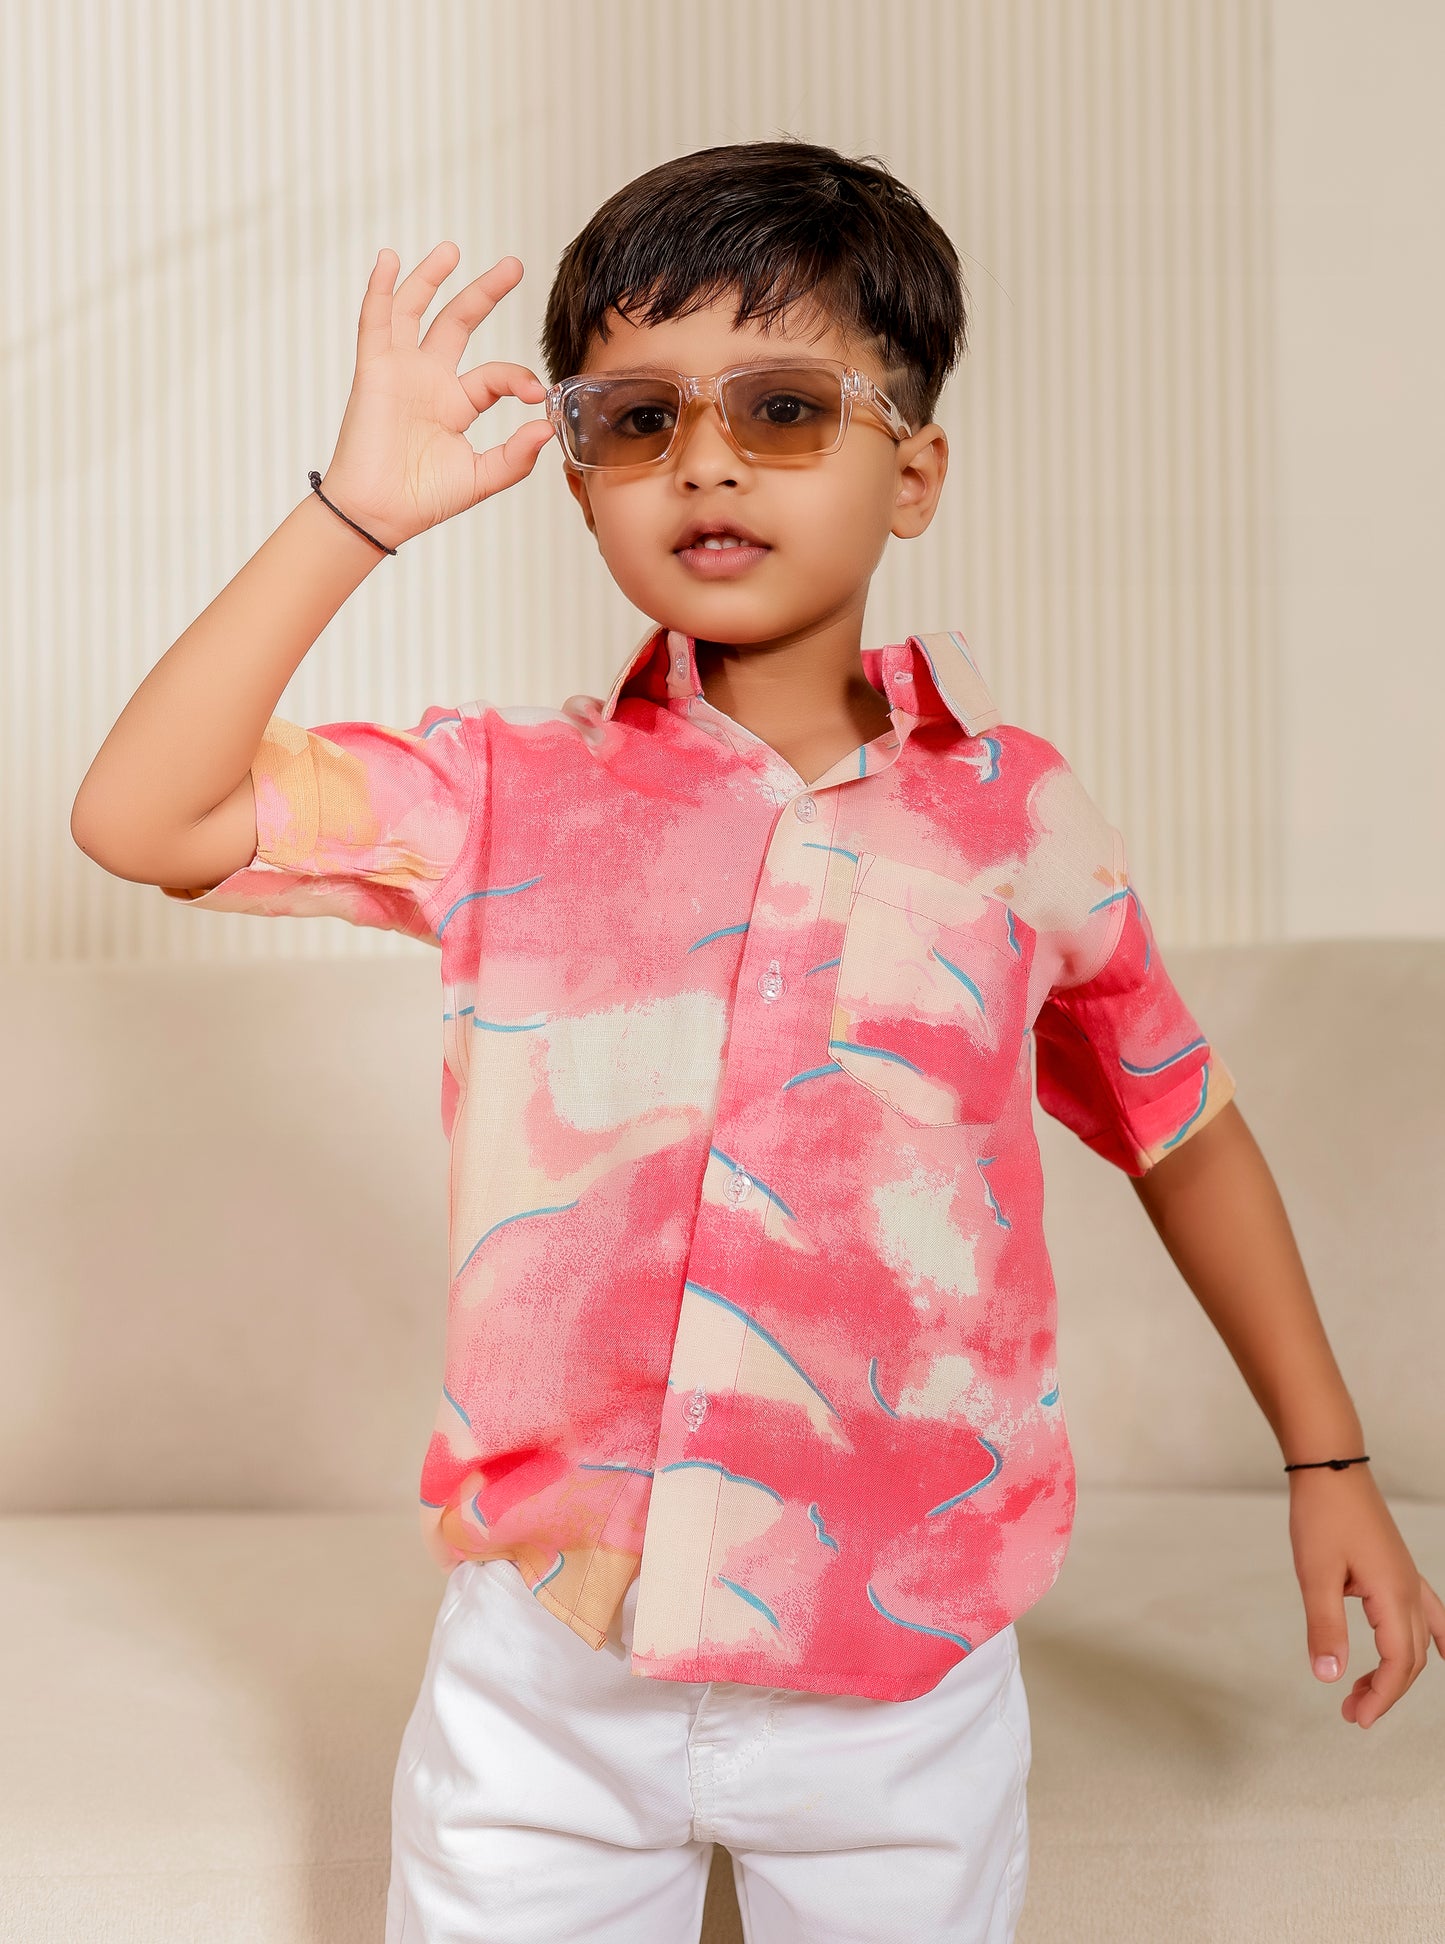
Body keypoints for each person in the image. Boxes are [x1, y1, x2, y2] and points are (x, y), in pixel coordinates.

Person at [70, 139, 1443, 1944]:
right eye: (636, 421)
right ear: (579, 482)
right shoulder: (500, 793)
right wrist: (355, 515)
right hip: (548, 1663)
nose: (704, 460)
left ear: (913, 471)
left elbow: (1180, 1129)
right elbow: (141, 820)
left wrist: (1326, 1464)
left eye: (783, 408)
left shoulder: (1016, 822)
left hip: (906, 1660)